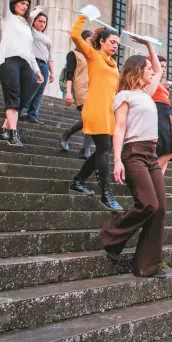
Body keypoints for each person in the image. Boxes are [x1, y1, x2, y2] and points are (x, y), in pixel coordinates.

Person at [100, 46, 168, 279]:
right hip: (133, 152)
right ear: (137, 71)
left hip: (151, 153)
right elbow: (119, 128)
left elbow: (158, 70)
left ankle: (146, 266)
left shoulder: (146, 93)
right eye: (147, 67)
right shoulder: (124, 96)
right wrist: (117, 159)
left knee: (160, 209)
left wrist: (149, 46)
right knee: (148, 203)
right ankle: (111, 237)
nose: (152, 70)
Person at [67, 14, 122, 210]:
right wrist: (83, 16)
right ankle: (106, 193)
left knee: (102, 149)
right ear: (101, 41)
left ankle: (78, 181)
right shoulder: (93, 55)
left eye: (118, 43)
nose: (115, 46)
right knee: (105, 148)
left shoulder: (114, 64)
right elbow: (74, 35)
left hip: (109, 111)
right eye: (112, 42)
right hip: (95, 109)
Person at [0, 0, 43, 147]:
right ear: (14, 4)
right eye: (22, 3)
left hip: (25, 63)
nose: (25, 6)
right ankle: (13, 134)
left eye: (27, 4)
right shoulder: (7, 17)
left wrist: (36, 70)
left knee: (23, 98)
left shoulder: (26, 26)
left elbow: (29, 51)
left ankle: (3, 129)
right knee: (13, 96)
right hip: (9, 60)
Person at [59, 29, 95, 160]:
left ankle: (84, 149)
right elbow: (69, 74)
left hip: (93, 90)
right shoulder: (73, 54)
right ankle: (67, 136)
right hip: (80, 89)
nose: (93, 43)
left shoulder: (92, 56)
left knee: (92, 119)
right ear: (83, 39)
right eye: (91, 40)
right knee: (90, 118)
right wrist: (68, 93)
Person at [151, 56, 172, 198]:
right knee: (165, 152)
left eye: (164, 67)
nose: (163, 69)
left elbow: (168, 106)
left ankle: (158, 185)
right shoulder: (150, 81)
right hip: (154, 117)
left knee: (167, 154)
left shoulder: (160, 84)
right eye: (160, 66)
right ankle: (151, 180)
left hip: (164, 117)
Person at [20, 8, 54, 125]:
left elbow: (50, 57)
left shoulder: (47, 38)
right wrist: (38, 9)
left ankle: (33, 115)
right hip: (32, 62)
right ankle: (23, 111)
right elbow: (28, 18)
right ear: (35, 22)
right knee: (31, 87)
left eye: (44, 22)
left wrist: (52, 72)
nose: (42, 24)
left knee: (40, 91)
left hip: (44, 65)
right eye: (40, 21)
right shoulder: (30, 31)